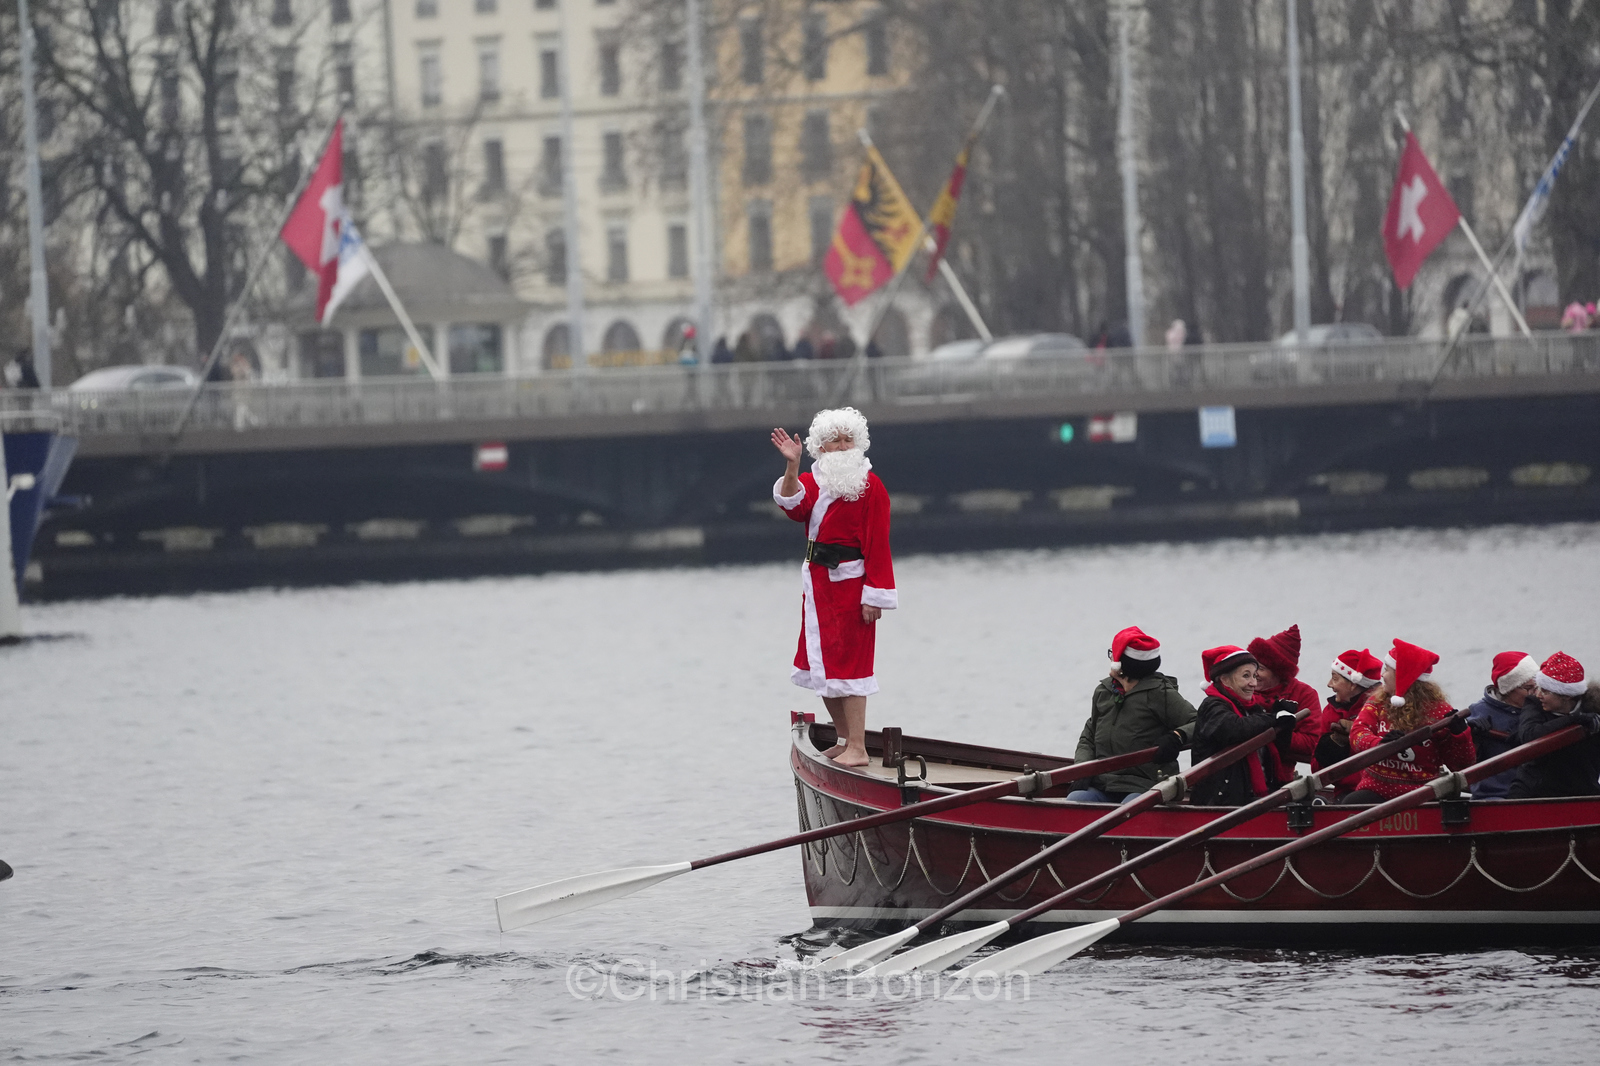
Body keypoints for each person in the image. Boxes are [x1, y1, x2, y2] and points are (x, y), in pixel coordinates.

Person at [770, 408, 896, 768]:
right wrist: (792, 465)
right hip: (818, 586)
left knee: (852, 666)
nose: (842, 446)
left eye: (847, 439)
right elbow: (793, 506)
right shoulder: (812, 480)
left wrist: (874, 594)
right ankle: (843, 739)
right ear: (821, 447)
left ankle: (858, 746)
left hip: (852, 587)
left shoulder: (871, 486)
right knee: (820, 663)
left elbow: (879, 544)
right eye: (835, 440)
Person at [1068, 627, 1197, 804]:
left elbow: (1198, 722)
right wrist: (1083, 769)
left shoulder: (1160, 694)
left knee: (1129, 808)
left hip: (1145, 785)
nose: (1110, 658)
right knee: (1075, 800)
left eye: (1113, 654)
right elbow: (1088, 737)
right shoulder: (1103, 692)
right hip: (1104, 783)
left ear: (1121, 666)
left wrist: (1177, 736)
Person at [1343, 639, 1474, 804]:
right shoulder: (1377, 702)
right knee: (1350, 803)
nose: (1382, 675)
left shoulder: (1440, 711)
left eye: (1387, 670)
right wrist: (1379, 744)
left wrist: (1460, 736)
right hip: (1377, 789)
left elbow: (1461, 765)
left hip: (1423, 793)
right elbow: (1357, 734)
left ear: (1402, 675)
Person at [1189, 646, 1298, 806]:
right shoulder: (1212, 706)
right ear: (1225, 679)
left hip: (1253, 796)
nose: (1253, 683)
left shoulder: (1253, 709)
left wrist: (1284, 725)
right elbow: (1234, 729)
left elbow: (1279, 750)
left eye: (1254, 676)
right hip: (1219, 801)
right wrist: (1273, 718)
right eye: (1246, 676)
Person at [1505, 652, 1600, 799]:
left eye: (1545, 691)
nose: (1538, 695)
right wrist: (1573, 719)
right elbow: (1529, 736)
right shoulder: (1534, 704)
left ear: (1567, 695)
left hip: (1582, 789)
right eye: (1539, 688)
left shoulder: (1594, 709)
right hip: (1535, 792)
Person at [1310, 649, 1384, 799]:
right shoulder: (1331, 711)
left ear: (1353, 684)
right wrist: (1333, 745)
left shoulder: (1384, 709)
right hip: (1346, 792)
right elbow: (1317, 770)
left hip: (1382, 789)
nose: (1329, 684)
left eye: (1335, 678)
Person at [1465, 651, 1539, 800]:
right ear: (1508, 689)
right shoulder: (1478, 712)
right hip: (1494, 795)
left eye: (1537, 686)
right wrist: (1473, 739)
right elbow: (1464, 762)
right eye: (1528, 688)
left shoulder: (1542, 707)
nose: (1535, 693)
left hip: (1536, 792)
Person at [1248, 624, 1322, 766]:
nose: (1253, 674)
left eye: (1260, 668)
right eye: (1252, 666)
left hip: (1280, 773)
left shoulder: (1304, 694)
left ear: (1279, 673)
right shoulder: (1241, 686)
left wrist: (1275, 734)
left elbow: (1312, 742)